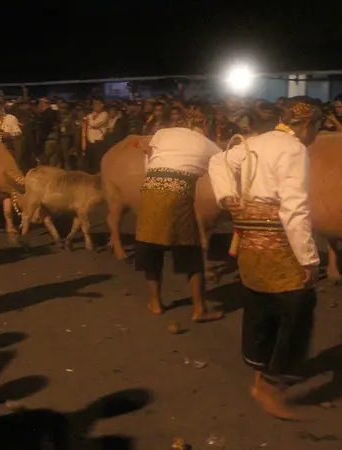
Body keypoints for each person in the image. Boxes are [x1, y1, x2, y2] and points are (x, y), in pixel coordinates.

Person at [208, 97, 321, 420]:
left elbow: (217, 163)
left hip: (249, 244)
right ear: (307, 124)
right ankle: (271, 386)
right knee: (297, 310)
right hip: (279, 245)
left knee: (261, 306)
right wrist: (309, 260)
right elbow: (294, 210)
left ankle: (259, 375)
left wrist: (228, 196)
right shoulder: (293, 148)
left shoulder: (250, 144)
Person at [134, 110, 224, 323]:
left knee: (151, 247)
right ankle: (199, 309)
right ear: (203, 126)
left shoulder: (162, 133)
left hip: (149, 192)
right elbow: (223, 167)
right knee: (191, 252)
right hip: (177, 196)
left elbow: (149, 155)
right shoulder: (208, 144)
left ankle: (155, 302)